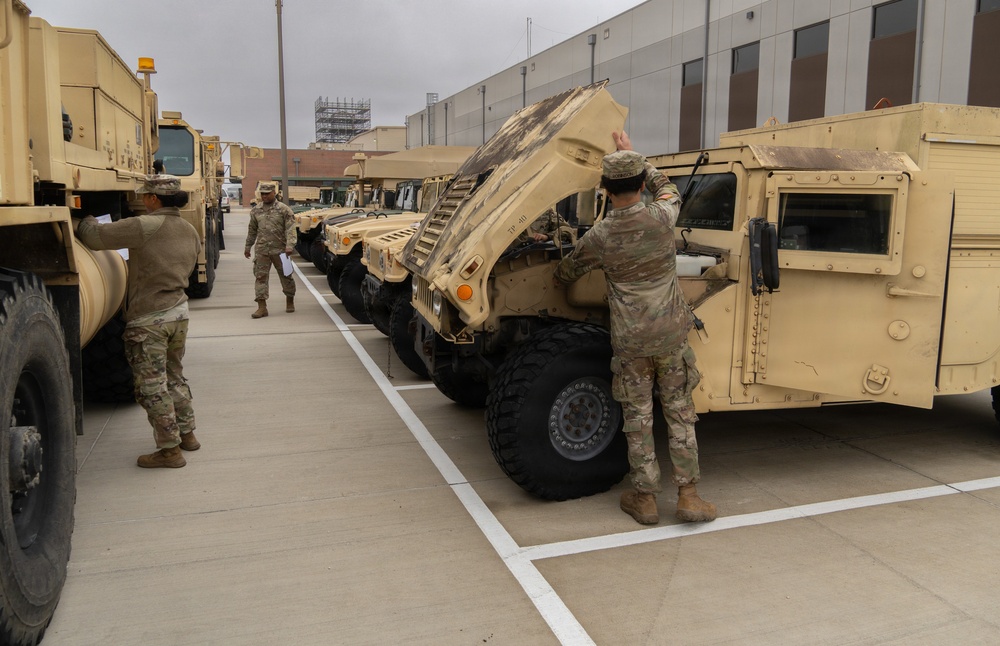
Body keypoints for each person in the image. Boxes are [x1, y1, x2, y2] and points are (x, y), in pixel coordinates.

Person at [553, 132, 717, 526]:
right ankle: (689, 496)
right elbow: (668, 189)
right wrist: (634, 155)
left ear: (605, 190)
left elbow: (566, 273)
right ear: (641, 184)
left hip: (631, 343)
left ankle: (645, 499)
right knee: (680, 414)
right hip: (671, 337)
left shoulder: (600, 236)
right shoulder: (662, 216)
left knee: (638, 419)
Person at [76, 174, 202, 468]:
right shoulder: (189, 229)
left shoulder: (143, 225)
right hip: (178, 313)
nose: (143, 200)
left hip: (150, 319)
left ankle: (169, 451)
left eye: (145, 195)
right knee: (174, 376)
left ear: (154, 199)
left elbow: (93, 237)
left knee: (151, 387)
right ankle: (188, 434)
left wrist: (86, 218)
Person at [244, 182, 296, 318]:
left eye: (267, 194)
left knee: (286, 275)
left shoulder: (284, 210)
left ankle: (290, 300)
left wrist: (290, 245)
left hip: (281, 250)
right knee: (260, 277)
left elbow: (290, 229)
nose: (264, 196)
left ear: (274, 193)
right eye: (262, 194)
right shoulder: (256, 210)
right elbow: (252, 230)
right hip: (262, 250)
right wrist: (248, 246)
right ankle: (262, 307)